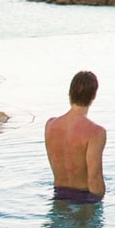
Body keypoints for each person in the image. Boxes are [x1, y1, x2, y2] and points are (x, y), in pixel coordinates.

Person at [45, 71, 107, 203]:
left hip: (58, 196)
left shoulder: (50, 125)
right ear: (94, 95)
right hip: (85, 200)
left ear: (70, 93)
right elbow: (94, 179)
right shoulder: (96, 132)